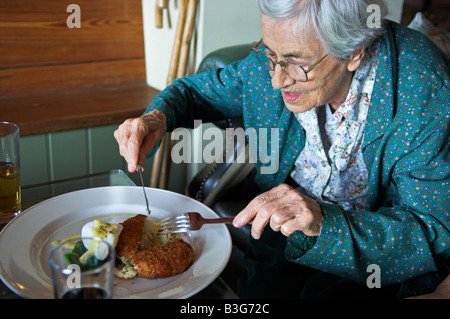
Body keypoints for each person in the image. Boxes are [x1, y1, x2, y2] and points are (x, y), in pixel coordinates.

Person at [114, 0, 449, 298]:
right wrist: (158, 117)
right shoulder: (271, 65)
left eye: (296, 63)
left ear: (354, 52)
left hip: (372, 251)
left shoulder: (422, 87)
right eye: (271, 54)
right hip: (281, 229)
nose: (276, 80)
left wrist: (323, 224)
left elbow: (432, 232)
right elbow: (194, 93)